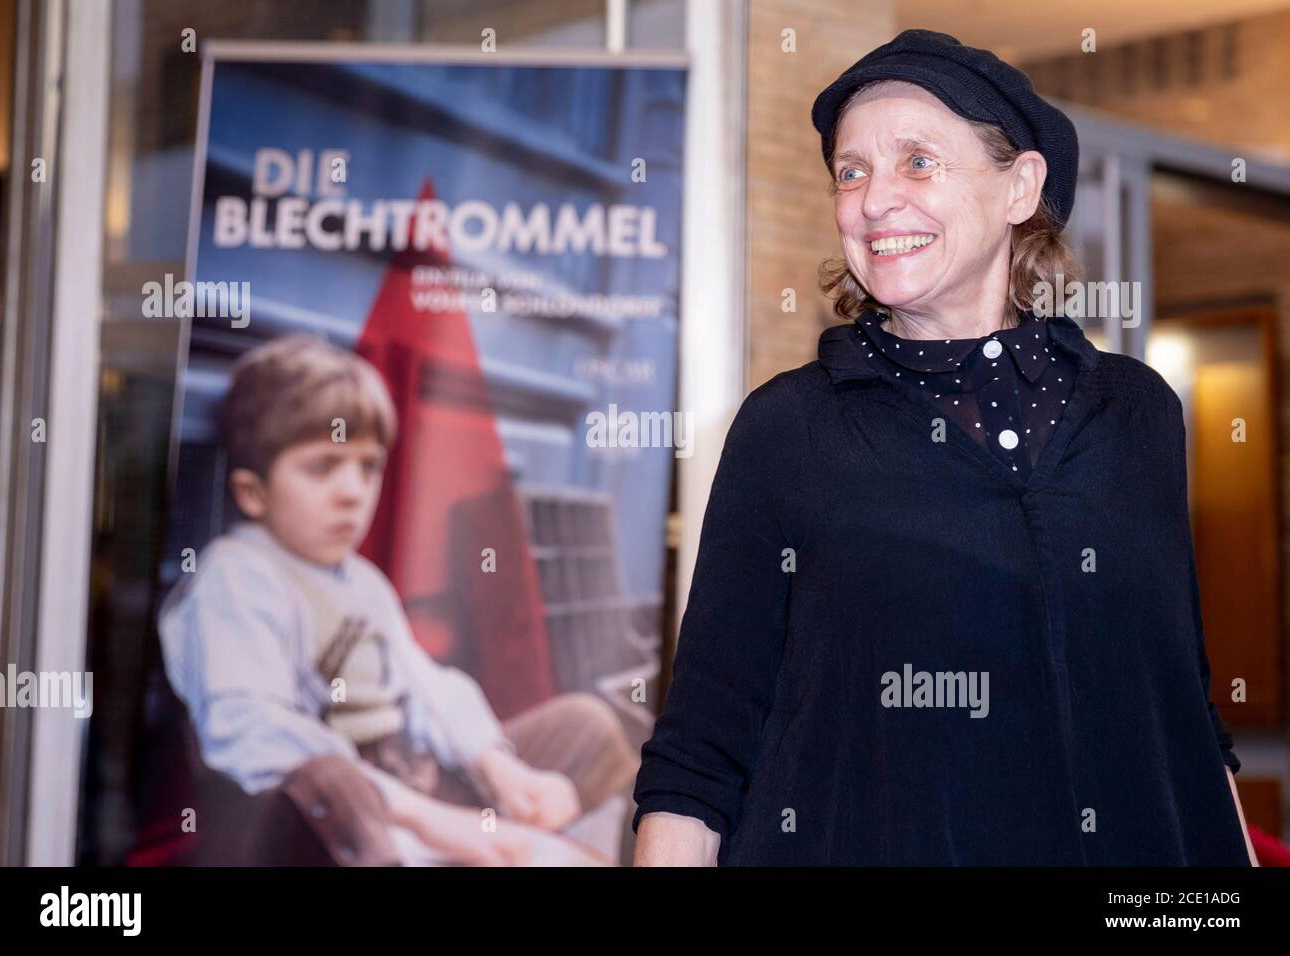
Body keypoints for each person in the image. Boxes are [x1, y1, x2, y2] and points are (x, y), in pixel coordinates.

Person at [632, 29, 1259, 866]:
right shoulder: (792, 430)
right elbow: (698, 757)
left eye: (918, 162)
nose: (875, 200)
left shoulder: (1136, 414)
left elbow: (1182, 710)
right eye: (851, 173)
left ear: (1019, 187)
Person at [158, 334, 639, 866]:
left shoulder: (363, 581)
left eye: (367, 467)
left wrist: (497, 767)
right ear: (253, 492)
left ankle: (505, 840)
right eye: (324, 466)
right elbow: (250, 733)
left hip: (414, 784)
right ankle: (463, 848)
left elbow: (428, 691)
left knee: (587, 724)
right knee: (328, 781)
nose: (353, 491)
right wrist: (431, 821)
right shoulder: (237, 576)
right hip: (338, 823)